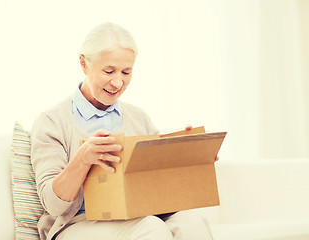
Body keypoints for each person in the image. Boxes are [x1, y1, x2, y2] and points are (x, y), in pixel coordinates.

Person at [30, 22, 214, 240]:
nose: (118, 82)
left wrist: (189, 159)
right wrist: (82, 160)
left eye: (126, 72)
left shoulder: (139, 118)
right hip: (77, 224)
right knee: (151, 229)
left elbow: (159, 192)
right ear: (84, 64)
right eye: (109, 71)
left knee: (192, 224)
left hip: (138, 216)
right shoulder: (52, 121)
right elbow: (53, 205)